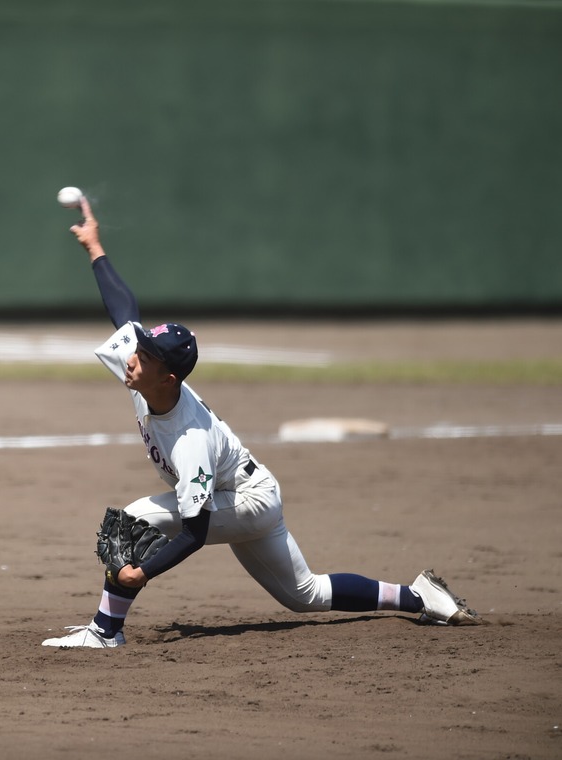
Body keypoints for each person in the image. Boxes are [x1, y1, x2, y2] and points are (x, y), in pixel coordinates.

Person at [42, 196, 482, 649]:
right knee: (305, 595)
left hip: (246, 500)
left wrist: (144, 570)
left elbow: (194, 531)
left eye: (146, 355)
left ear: (168, 376)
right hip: (251, 490)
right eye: (140, 348)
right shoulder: (145, 376)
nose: (132, 357)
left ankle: (104, 632)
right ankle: (417, 598)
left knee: (131, 521)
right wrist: (95, 247)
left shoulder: (188, 439)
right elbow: (125, 310)